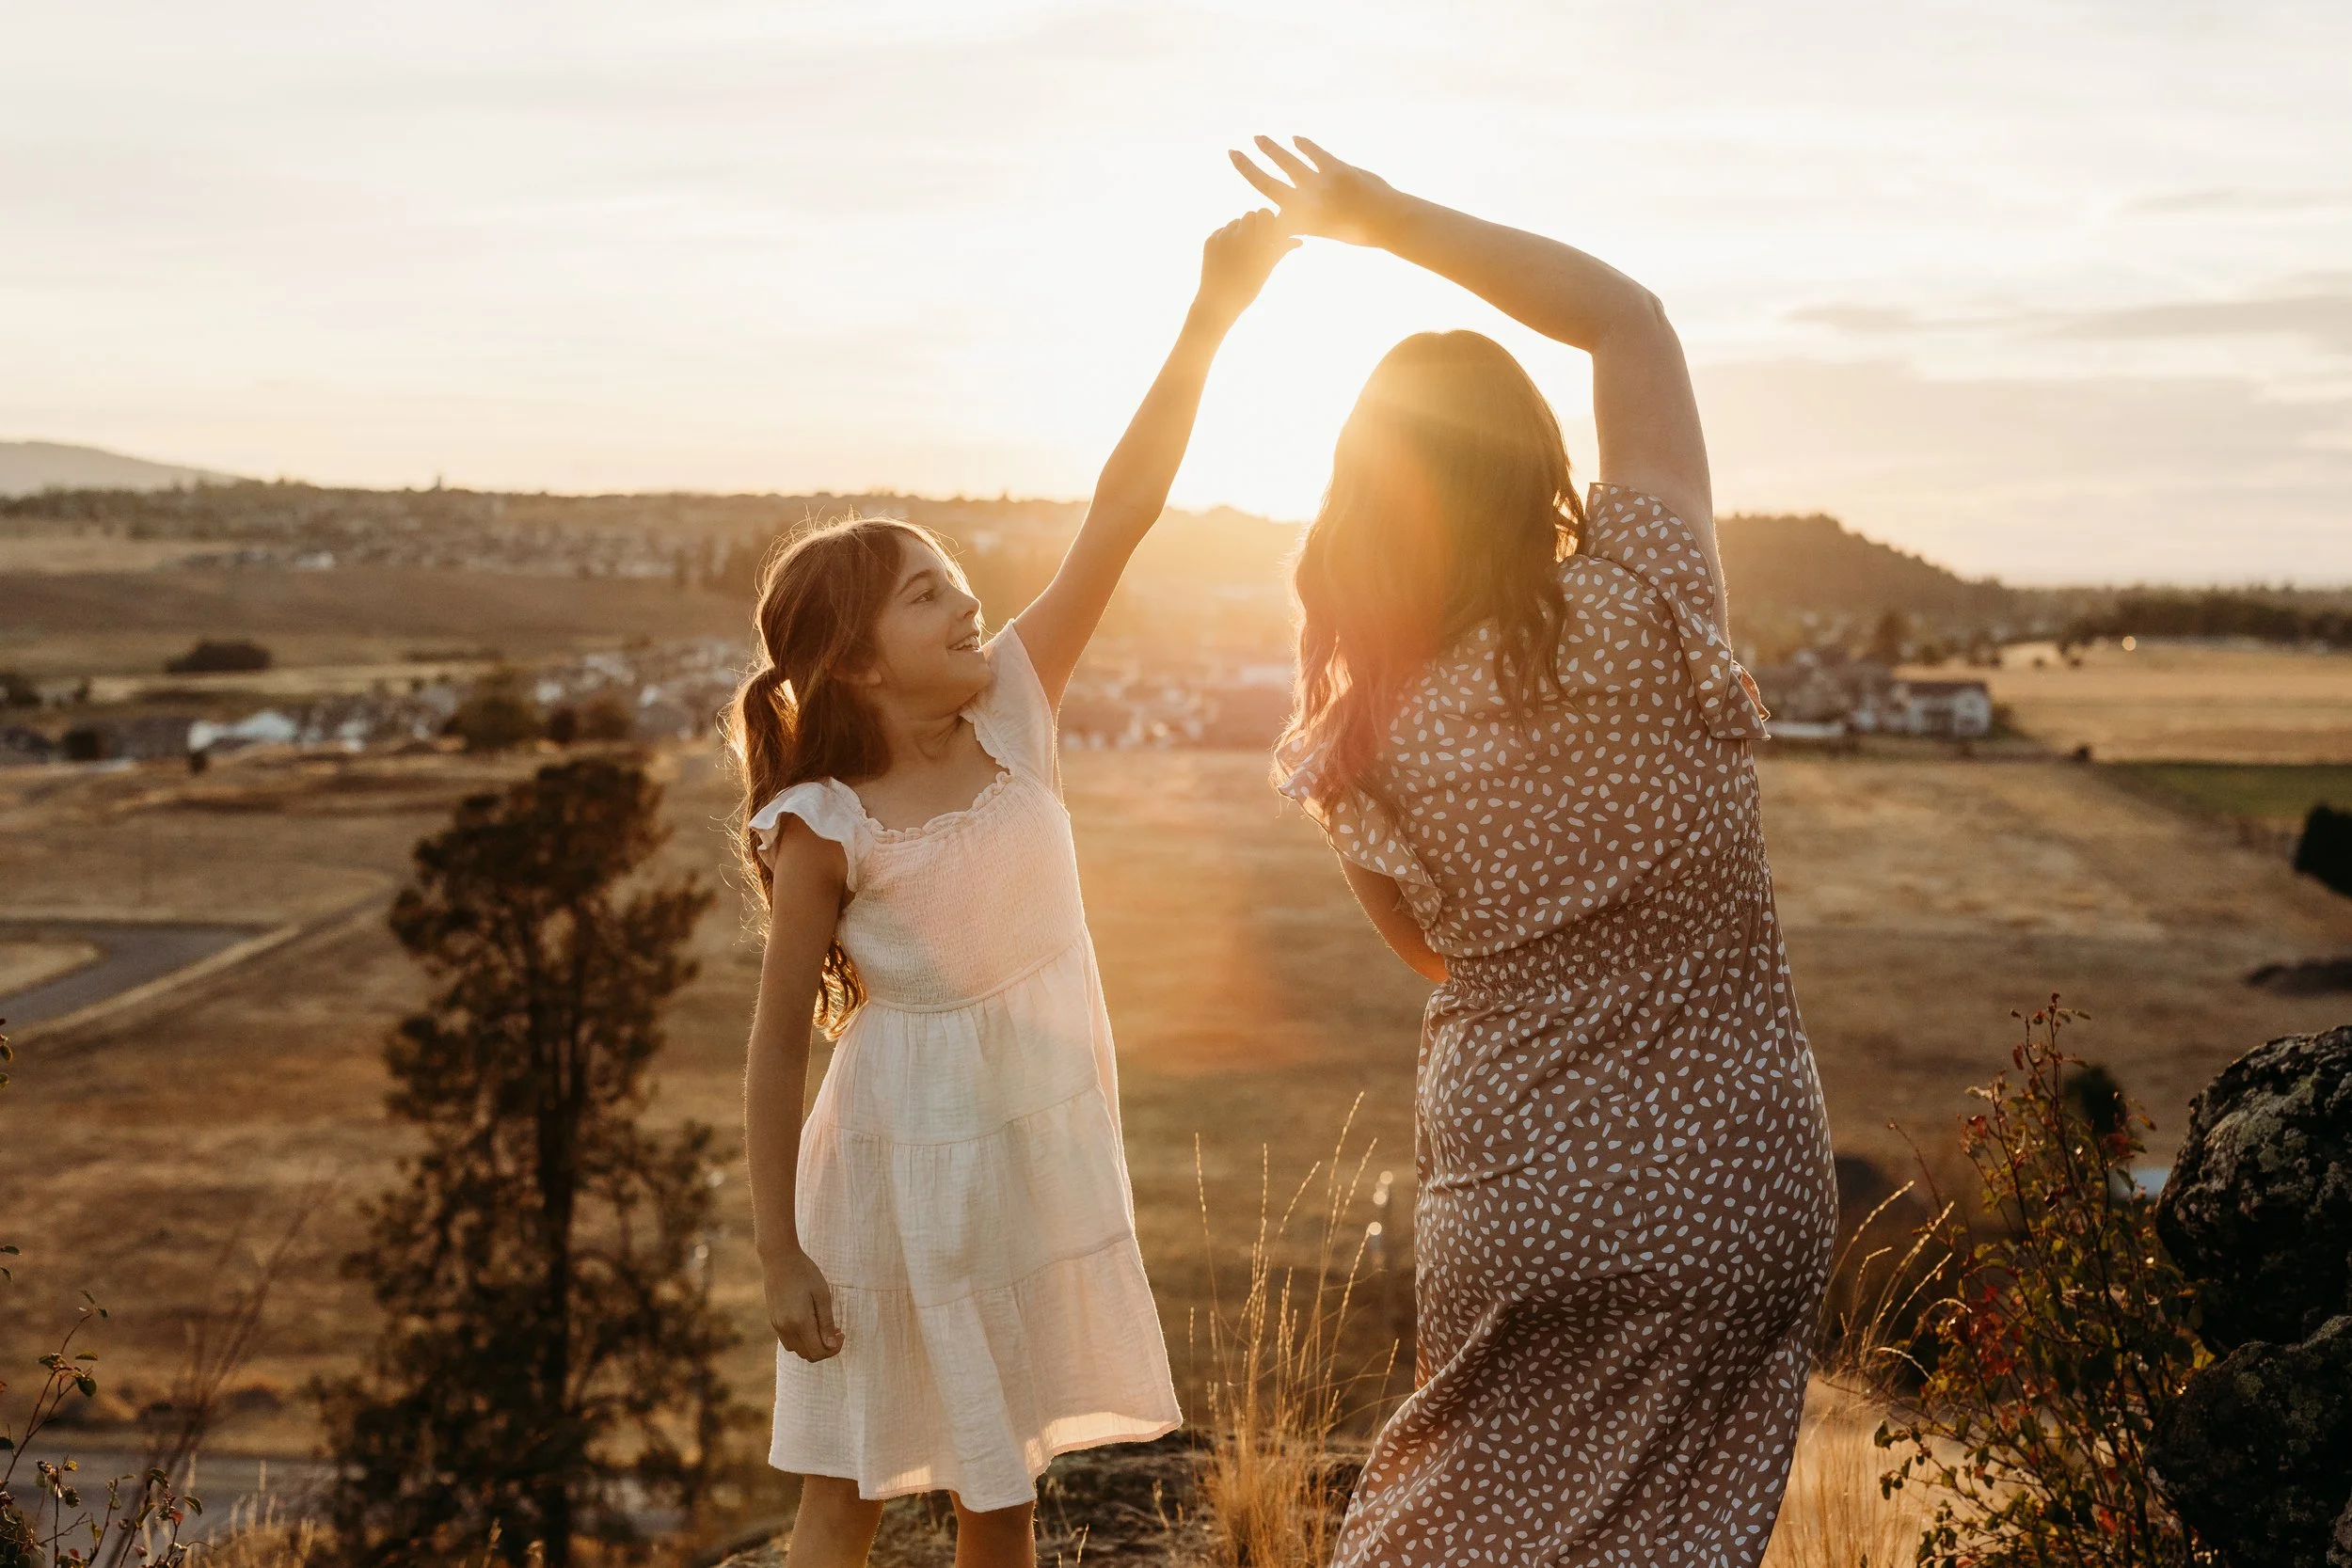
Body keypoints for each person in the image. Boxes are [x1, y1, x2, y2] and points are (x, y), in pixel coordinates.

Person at [1232, 135, 1838, 1566]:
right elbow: (1629, 317)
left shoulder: (1361, 739)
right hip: (1740, 1180)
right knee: (1675, 1530)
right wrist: (1387, 219)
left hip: (1525, 1194)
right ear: (1544, 468)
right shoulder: (1652, 593)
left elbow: (1439, 954)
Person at [731, 211, 1297, 1567]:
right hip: (882, 1171)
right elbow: (769, 1046)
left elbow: (1125, 507)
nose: (967, 607)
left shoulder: (1018, 713)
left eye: (958, 583)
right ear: (859, 663)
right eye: (928, 598)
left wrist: (1214, 310)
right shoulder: (827, 821)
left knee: (1005, 1482)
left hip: (1019, 1160)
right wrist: (777, 1252)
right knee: (844, 1489)